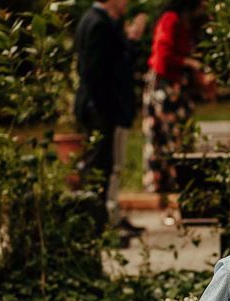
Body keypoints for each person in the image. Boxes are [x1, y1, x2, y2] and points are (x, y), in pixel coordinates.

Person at [74, 0, 147, 233]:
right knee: (103, 164)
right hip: (102, 109)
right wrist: (107, 108)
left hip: (100, 106)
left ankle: (104, 216)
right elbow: (97, 72)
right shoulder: (99, 24)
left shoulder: (99, 21)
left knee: (105, 164)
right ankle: (99, 218)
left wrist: (131, 40)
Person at [142, 0, 211, 195]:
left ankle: (180, 185)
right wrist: (190, 63)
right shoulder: (170, 20)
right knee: (167, 139)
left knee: (181, 137)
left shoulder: (186, 22)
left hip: (177, 88)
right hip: (165, 89)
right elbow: (163, 57)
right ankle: (166, 187)